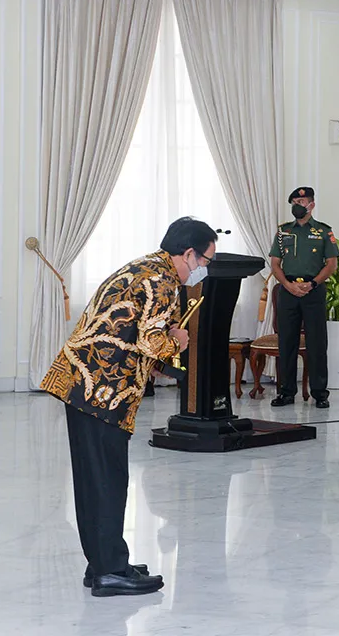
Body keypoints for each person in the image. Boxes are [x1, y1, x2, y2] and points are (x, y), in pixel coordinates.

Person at [41, 216, 215, 597]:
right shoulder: (164, 280)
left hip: (82, 384)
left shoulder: (144, 266)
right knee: (107, 479)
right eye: (203, 261)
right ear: (187, 253)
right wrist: (178, 341)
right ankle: (110, 571)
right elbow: (153, 342)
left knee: (94, 479)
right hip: (103, 390)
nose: (202, 269)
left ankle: (103, 561)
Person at [268, 186, 338, 409]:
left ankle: (320, 393)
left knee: (317, 343)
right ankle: (286, 392)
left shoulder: (324, 232)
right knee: (286, 342)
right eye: (295, 203)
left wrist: (313, 283)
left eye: (302, 202)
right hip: (288, 291)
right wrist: (287, 285)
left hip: (314, 291)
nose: (298, 206)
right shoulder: (283, 232)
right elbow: (275, 264)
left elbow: (332, 264)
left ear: (312, 205)